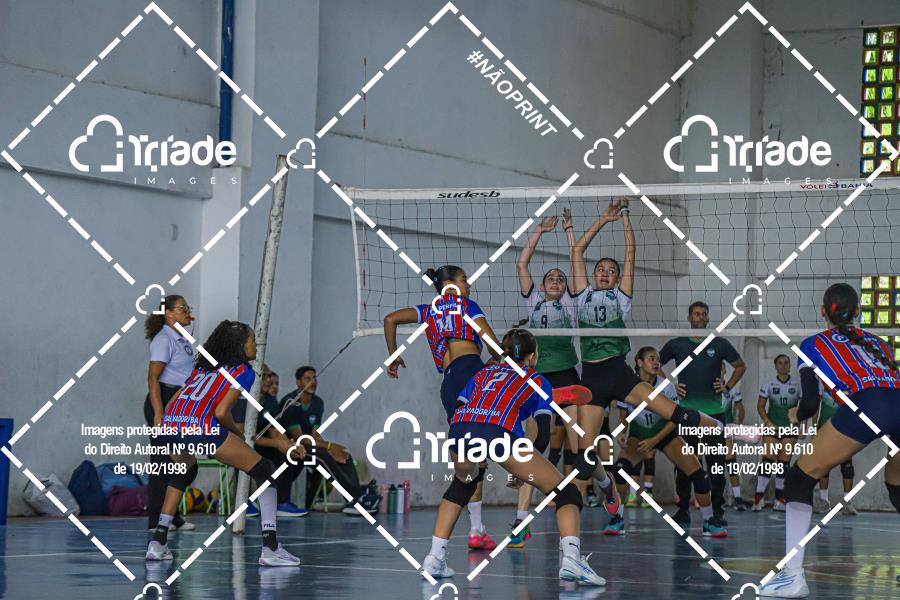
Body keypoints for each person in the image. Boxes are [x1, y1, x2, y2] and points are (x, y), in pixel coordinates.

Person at [422, 329, 605, 586]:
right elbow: (543, 436)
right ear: (533, 356)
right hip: (498, 431)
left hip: (460, 429)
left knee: (462, 485)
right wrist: (524, 471)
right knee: (566, 494)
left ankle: (434, 558)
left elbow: (458, 408)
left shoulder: (483, 373)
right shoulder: (537, 380)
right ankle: (572, 559)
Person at [760, 283, 900, 597]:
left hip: (869, 403)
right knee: (897, 487)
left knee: (798, 479)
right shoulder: (880, 342)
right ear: (858, 312)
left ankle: (792, 577)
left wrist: (796, 414)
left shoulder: (813, 344)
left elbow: (810, 403)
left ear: (823, 311)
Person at [146, 320, 302, 567]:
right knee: (265, 470)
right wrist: (237, 435)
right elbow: (221, 412)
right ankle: (271, 548)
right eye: (252, 340)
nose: (256, 344)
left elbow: (176, 398)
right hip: (201, 427)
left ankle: (158, 542)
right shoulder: (243, 371)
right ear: (240, 345)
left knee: (185, 472)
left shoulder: (203, 368)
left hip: (171, 425)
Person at [384, 265, 503, 549]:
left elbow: (390, 319)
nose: (469, 285)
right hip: (470, 373)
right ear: (449, 284)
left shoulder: (428, 311)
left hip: (448, 384)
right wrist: (505, 358)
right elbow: (494, 347)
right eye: (464, 280)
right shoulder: (467, 306)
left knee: (466, 460)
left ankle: (475, 530)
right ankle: (478, 527)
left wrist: (393, 355)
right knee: (485, 452)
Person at [510, 208, 579, 547]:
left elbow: (575, 263)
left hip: (567, 375)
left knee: (577, 444)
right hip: (537, 379)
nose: (555, 281)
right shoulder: (535, 300)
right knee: (533, 445)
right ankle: (520, 520)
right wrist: (539, 230)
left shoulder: (571, 304)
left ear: (565, 288)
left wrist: (569, 230)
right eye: (550, 278)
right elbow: (522, 263)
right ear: (542, 285)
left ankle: (589, 494)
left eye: (560, 279)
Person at [568, 197, 635, 525]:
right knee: (585, 456)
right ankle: (605, 491)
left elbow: (631, 253)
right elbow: (577, 251)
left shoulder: (620, 297)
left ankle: (707, 424)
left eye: (612, 271)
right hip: (592, 376)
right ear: (593, 275)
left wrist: (625, 217)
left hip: (619, 371)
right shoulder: (582, 295)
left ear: (617, 278)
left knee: (664, 409)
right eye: (601, 270)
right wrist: (604, 219)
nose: (606, 274)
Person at [611, 346, 726, 537]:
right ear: (639, 362)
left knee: (699, 476)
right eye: (651, 358)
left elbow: (675, 419)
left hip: (665, 434)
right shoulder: (628, 386)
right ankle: (617, 519)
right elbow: (624, 417)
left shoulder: (666, 387)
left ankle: (708, 521)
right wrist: (622, 432)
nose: (656, 362)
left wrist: (655, 440)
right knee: (620, 470)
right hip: (638, 435)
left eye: (658, 359)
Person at [659, 301, 745, 529]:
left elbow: (740, 366)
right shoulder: (677, 344)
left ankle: (717, 511)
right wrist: (670, 386)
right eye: (696, 313)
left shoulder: (719, 344)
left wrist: (727, 386)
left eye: (704, 314)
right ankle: (683, 509)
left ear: (708, 318)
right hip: (687, 415)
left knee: (716, 467)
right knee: (684, 465)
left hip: (714, 416)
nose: (700, 317)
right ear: (689, 318)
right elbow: (655, 363)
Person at [280, 366, 379, 514]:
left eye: (314, 378)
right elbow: (300, 438)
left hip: (309, 445)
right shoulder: (291, 402)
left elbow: (314, 435)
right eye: (307, 378)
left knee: (343, 455)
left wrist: (333, 448)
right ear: (298, 382)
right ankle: (357, 498)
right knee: (323, 456)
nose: (313, 382)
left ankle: (352, 502)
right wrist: (328, 446)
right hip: (293, 447)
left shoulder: (318, 403)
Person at [144, 294, 196, 533]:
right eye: (182, 308)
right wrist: (158, 414)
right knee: (163, 463)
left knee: (182, 465)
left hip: (179, 402)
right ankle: (156, 519)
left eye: (188, 308)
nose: (187, 312)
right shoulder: (163, 339)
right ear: (169, 313)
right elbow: (153, 378)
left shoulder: (182, 338)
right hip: (163, 400)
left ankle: (172, 516)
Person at [232, 366, 308, 518]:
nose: (268, 380)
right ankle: (242, 501)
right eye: (264, 376)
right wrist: (277, 444)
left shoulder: (270, 401)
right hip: (235, 441)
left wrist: (288, 444)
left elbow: (274, 431)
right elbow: (242, 435)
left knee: (291, 456)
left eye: (269, 376)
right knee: (242, 453)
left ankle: (281, 502)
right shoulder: (241, 398)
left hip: (259, 443)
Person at [754, 355, 800, 512]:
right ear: (775, 365)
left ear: (789, 365)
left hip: (790, 428)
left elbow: (803, 408)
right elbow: (760, 406)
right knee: (767, 461)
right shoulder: (768, 384)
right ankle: (758, 499)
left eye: (786, 363)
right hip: (772, 428)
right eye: (780, 363)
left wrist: (802, 426)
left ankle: (779, 500)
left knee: (783, 465)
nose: (783, 365)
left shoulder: (797, 385)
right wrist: (767, 421)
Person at [813, 387, 857, 515]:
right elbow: (816, 407)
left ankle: (847, 503)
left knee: (847, 466)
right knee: (823, 466)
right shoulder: (822, 384)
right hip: (825, 428)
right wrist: (814, 428)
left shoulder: (850, 384)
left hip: (845, 429)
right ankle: (824, 501)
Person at [720, 365, 747, 511]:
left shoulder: (732, 387)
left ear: (725, 371)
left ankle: (737, 498)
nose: (718, 371)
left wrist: (738, 425)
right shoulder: (705, 387)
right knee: (712, 464)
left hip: (726, 429)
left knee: (731, 462)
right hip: (709, 429)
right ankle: (714, 498)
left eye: (721, 368)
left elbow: (740, 408)